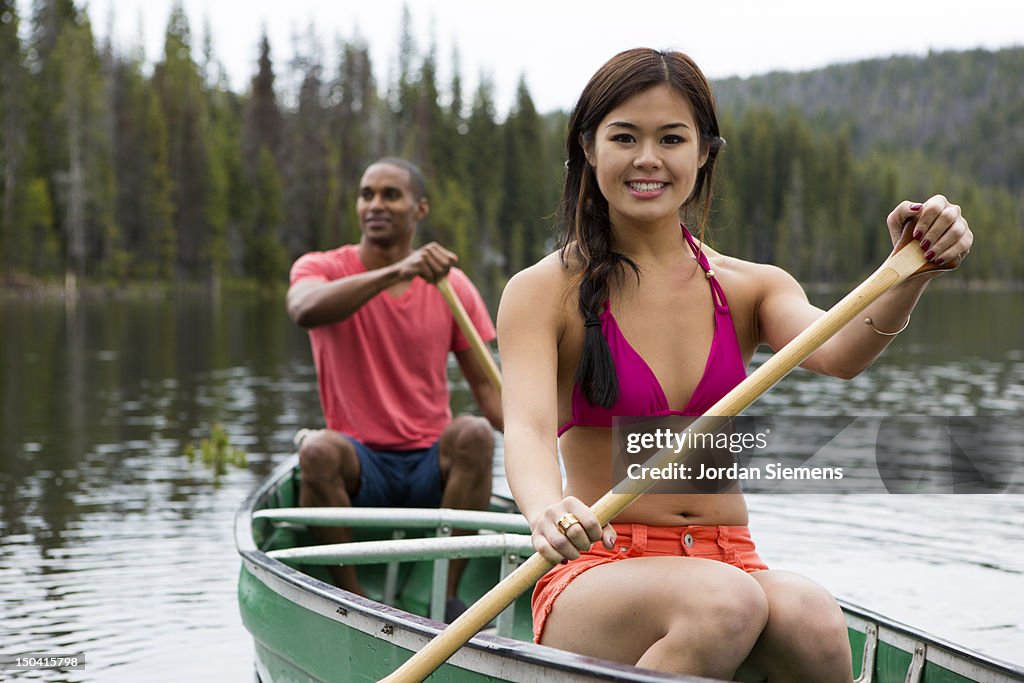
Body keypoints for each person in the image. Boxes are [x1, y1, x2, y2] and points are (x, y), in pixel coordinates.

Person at [497, 49, 972, 681]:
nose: (647, 159)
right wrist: (544, 509)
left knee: (812, 615)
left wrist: (910, 269)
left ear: (702, 153)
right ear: (589, 148)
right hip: (603, 568)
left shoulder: (750, 287)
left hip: (731, 559)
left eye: (671, 138)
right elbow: (526, 428)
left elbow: (840, 352)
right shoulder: (542, 289)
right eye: (624, 137)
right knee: (723, 604)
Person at [287, 156, 503, 622]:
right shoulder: (321, 268)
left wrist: (558, 447)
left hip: (429, 466)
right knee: (318, 452)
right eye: (367, 194)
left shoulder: (452, 286)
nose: (375, 205)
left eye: (391, 195)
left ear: (419, 209)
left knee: (475, 435)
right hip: (360, 467)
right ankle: (354, 598)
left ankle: (444, 598)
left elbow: (492, 397)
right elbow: (304, 310)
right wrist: (398, 271)